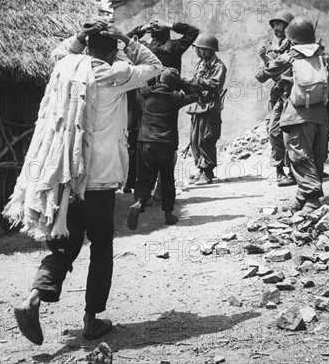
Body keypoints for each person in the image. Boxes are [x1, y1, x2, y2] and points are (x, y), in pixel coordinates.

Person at [13, 22, 162, 345]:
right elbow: (154, 66)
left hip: (64, 179)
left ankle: (33, 300)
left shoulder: (66, 68)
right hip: (98, 181)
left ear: (88, 46)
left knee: (64, 244)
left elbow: (60, 51)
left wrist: (79, 38)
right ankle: (91, 320)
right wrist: (127, 40)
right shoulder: (115, 75)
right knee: (102, 246)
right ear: (111, 50)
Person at [264, 18, 329, 212]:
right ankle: (301, 198)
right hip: (321, 117)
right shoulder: (325, 59)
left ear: (293, 40)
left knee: (300, 158)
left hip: (297, 117)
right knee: (316, 158)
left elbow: (261, 74)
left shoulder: (289, 58)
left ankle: (312, 198)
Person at [124, 19, 200, 194]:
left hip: (145, 97)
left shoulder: (143, 50)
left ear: (151, 33)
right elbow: (193, 31)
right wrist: (171, 25)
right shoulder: (173, 47)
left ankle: (141, 188)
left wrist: (140, 28)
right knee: (167, 143)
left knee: (143, 141)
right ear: (167, 32)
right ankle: (160, 189)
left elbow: (123, 41)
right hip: (169, 99)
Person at [127, 68, 200, 228]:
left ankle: (139, 202)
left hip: (145, 141)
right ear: (174, 84)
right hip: (166, 144)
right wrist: (181, 82)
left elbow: (138, 87)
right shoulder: (176, 97)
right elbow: (195, 95)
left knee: (144, 177)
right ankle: (168, 213)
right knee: (167, 179)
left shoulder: (145, 93)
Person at [255, 10, 296, 186]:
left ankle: (296, 171)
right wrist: (266, 58)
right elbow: (261, 74)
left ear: (288, 27)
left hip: (294, 96)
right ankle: (279, 170)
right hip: (279, 96)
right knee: (274, 132)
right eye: (274, 24)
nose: (275, 28)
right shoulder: (272, 49)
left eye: (279, 24)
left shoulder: (295, 48)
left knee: (295, 134)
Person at [187, 34, 227, 185]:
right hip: (198, 106)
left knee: (206, 139)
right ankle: (201, 169)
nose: (201, 52)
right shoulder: (201, 64)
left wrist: (197, 82)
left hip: (210, 107)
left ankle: (207, 172)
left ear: (211, 50)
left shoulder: (219, 66)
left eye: (204, 50)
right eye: (200, 50)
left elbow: (214, 84)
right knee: (195, 140)